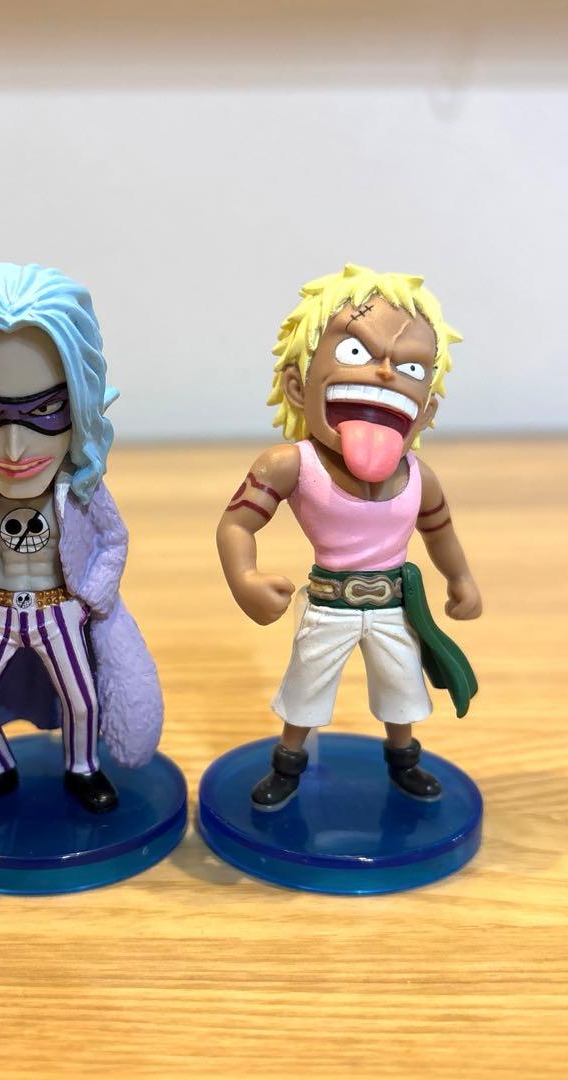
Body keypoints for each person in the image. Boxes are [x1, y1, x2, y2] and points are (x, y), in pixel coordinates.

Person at [216, 264, 481, 811]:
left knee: (402, 690)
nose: (384, 372)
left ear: (426, 410)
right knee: (305, 691)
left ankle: (404, 761)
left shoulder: (419, 477)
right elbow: (238, 523)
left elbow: (442, 534)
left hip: (393, 605)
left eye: (409, 366)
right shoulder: (292, 464)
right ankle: (287, 766)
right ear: (298, 385)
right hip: (329, 603)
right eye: (356, 352)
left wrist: (461, 579)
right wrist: (244, 577)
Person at [0, 263, 163, 813]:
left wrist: (91, 598)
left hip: (59, 610)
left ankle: (82, 766)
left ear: (82, 403)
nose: (15, 449)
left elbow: (114, 540)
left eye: (45, 411)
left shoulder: (79, 491)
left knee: (82, 702)